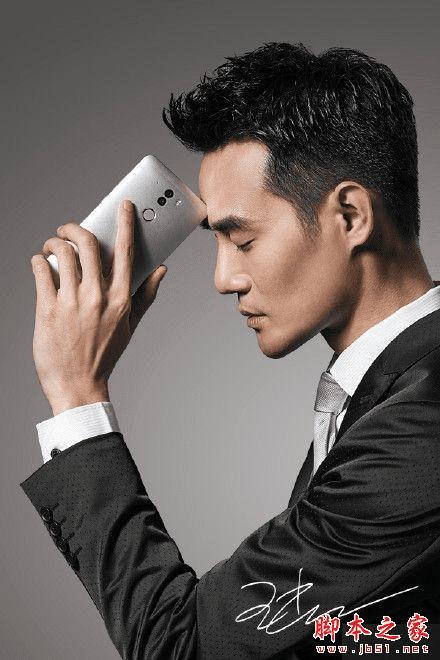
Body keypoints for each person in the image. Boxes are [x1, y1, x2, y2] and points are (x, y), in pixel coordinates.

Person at [21, 43, 440, 659]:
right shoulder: (391, 392)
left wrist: (76, 396)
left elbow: (185, 647)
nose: (223, 279)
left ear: (351, 215)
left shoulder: (421, 423)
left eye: (242, 240)